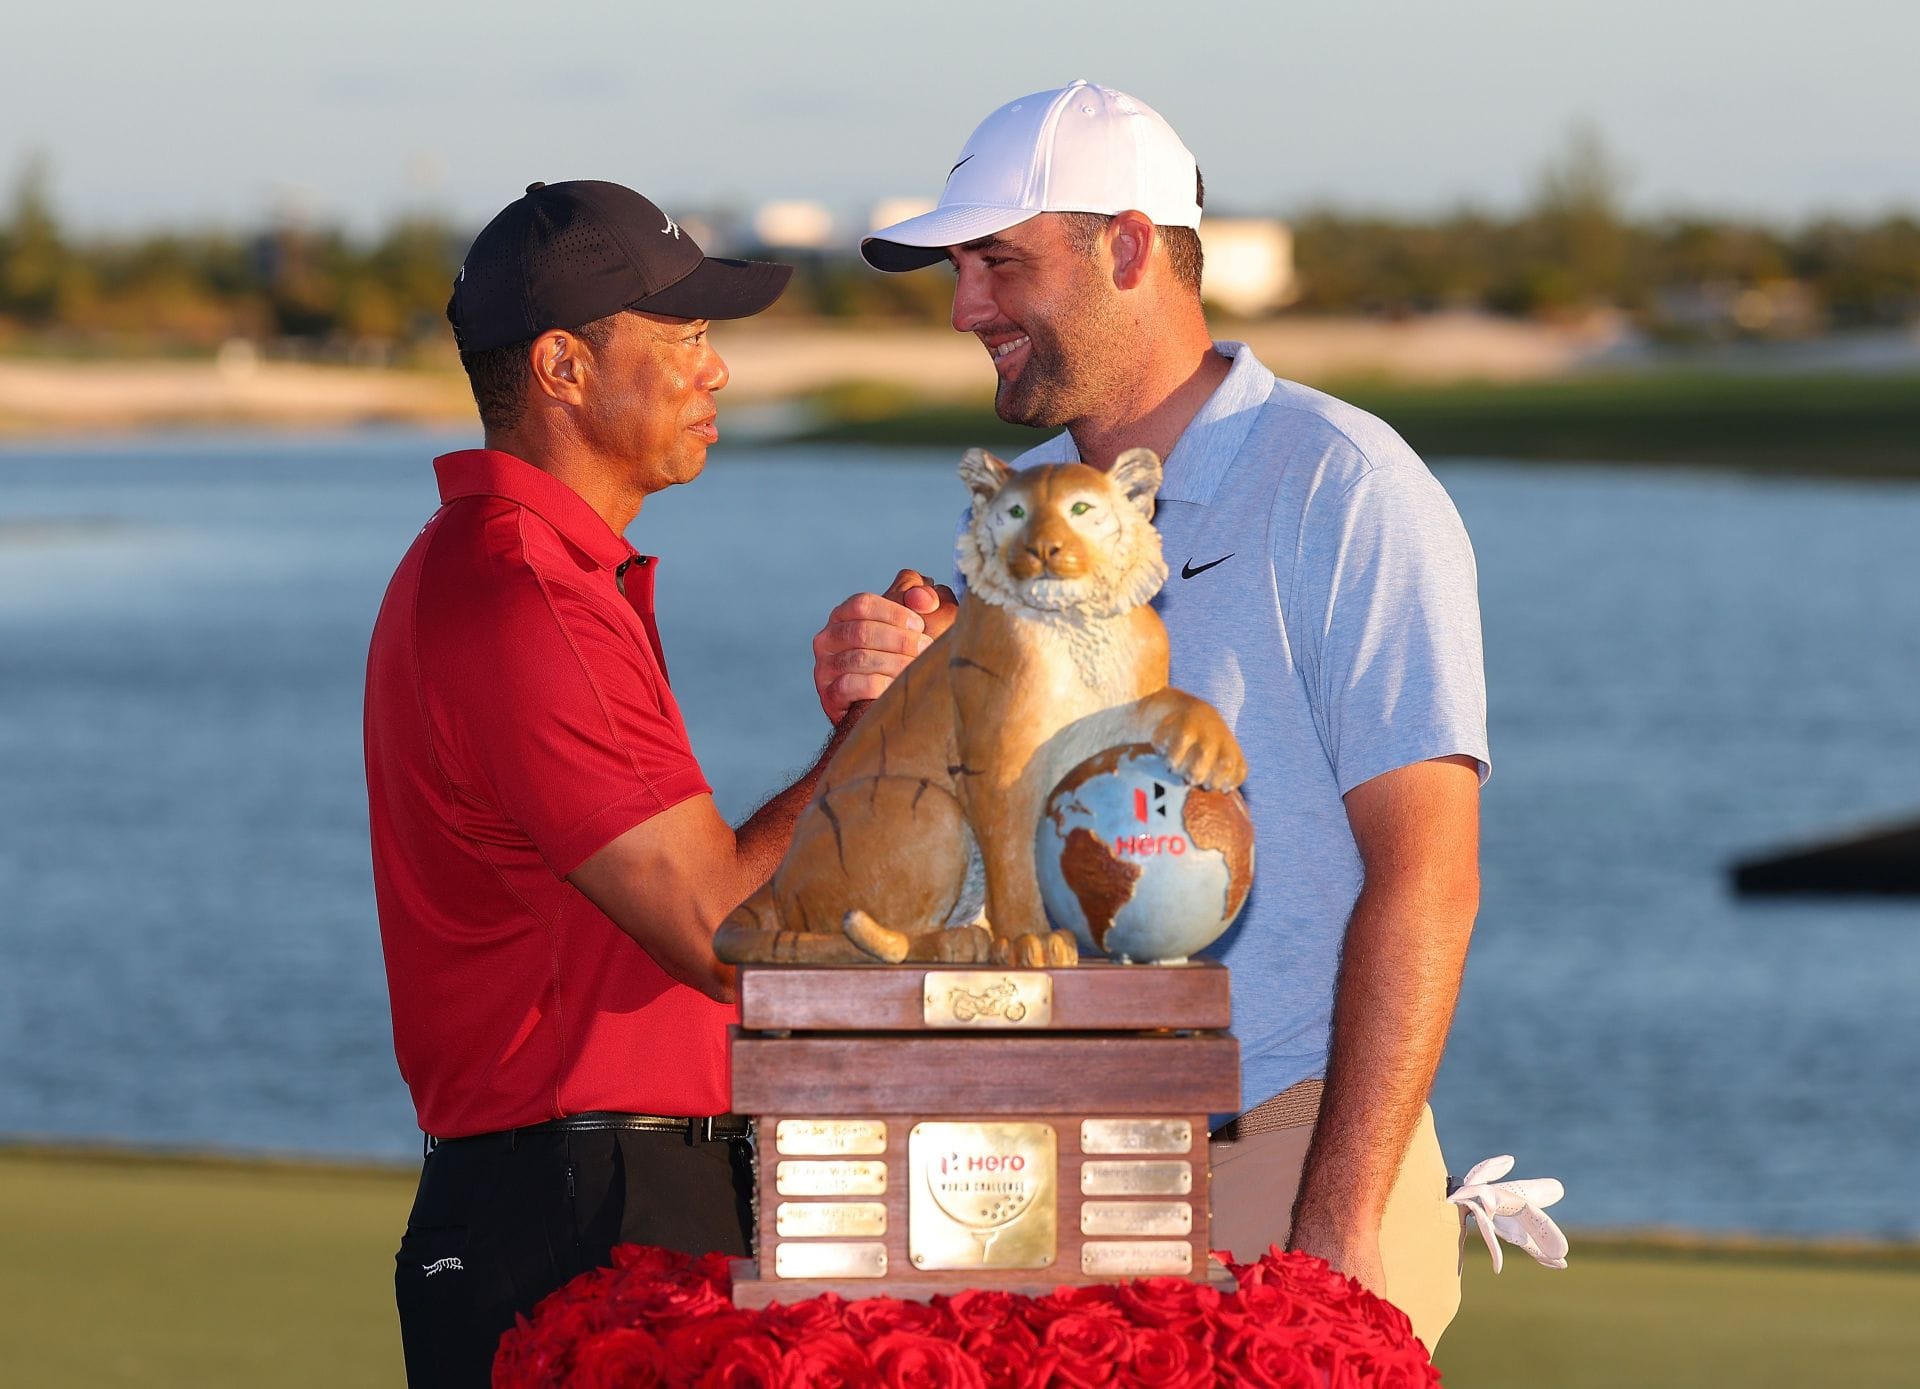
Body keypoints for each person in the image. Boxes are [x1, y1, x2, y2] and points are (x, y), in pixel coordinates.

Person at [818, 81, 1488, 1347]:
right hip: (1051, 1190)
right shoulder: (1010, 517)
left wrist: (1337, 1232)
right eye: (957, 270)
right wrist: (874, 725)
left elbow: (1431, 878)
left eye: (997, 263)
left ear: (1128, 248)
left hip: (1278, 1170)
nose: (966, 310)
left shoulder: (1342, 487)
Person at [363, 179, 832, 1385]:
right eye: (683, 336)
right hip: (581, 1210)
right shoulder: (526, 597)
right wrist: (891, 734)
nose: (713, 370)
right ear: (564, 367)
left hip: (581, 1192)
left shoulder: (510, 574)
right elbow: (723, 928)